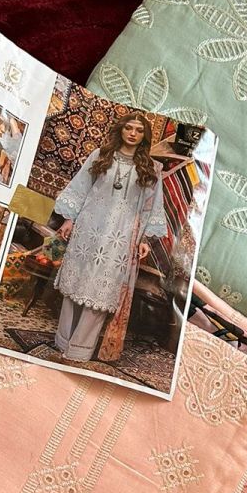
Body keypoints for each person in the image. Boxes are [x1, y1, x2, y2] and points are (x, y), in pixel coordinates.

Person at [52, 111, 167, 363]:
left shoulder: (151, 168)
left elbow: (151, 206)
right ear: (121, 129)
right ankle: (62, 340)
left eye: (139, 130)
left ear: (145, 135)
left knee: (101, 291)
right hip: (88, 228)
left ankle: (79, 349)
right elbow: (81, 187)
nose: (133, 133)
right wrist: (69, 219)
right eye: (129, 128)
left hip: (120, 237)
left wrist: (144, 239)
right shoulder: (100, 155)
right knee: (75, 283)